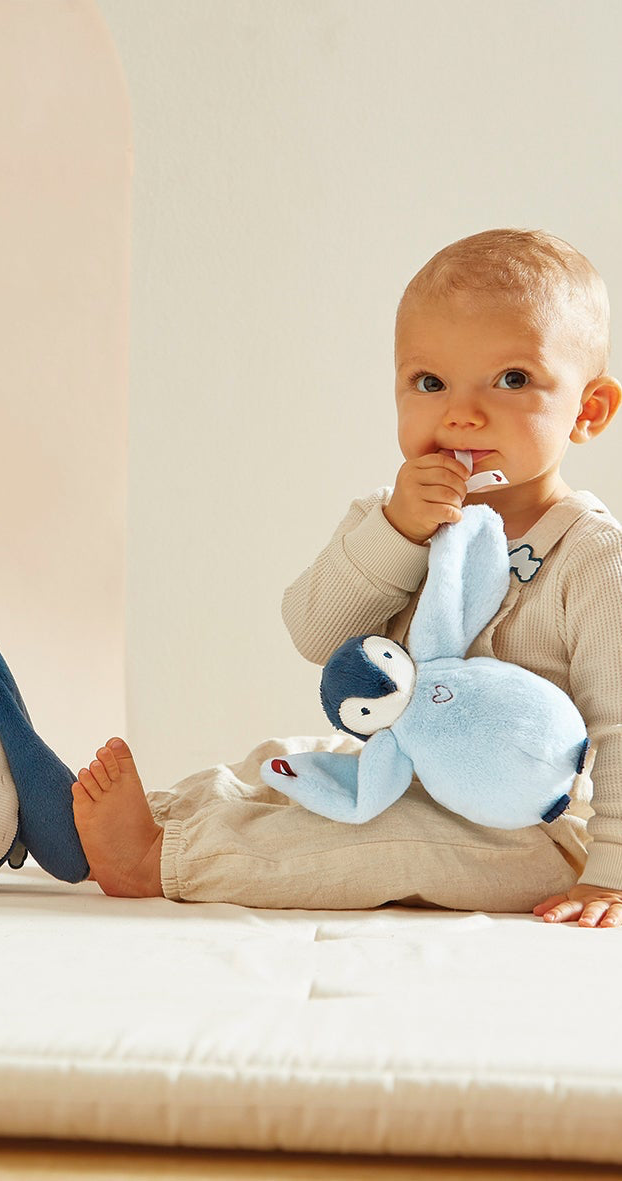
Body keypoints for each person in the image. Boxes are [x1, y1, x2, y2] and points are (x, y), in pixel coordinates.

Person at [71, 228, 622, 929]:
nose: (461, 413)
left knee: (378, 844)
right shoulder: (391, 520)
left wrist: (612, 869)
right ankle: (156, 816)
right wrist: (399, 534)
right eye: (430, 383)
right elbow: (313, 632)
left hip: (525, 829)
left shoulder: (590, 557)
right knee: (284, 760)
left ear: (588, 410)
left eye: (512, 380)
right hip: (400, 768)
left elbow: (618, 723)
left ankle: (159, 857)